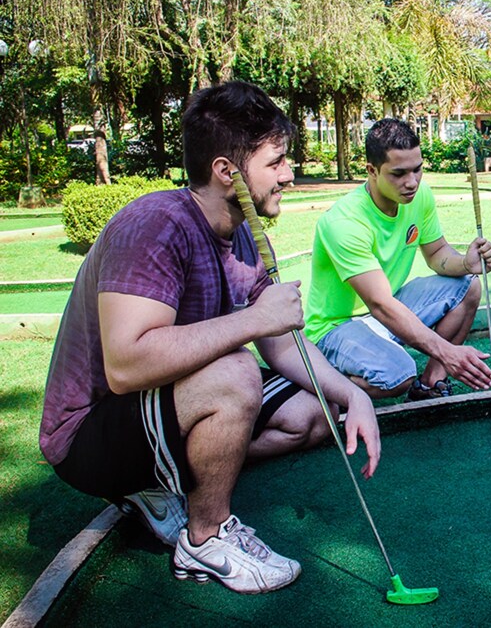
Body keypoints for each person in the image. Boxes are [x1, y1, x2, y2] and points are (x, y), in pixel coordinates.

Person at [40, 80, 381, 594]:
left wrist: (353, 395)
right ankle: (205, 539)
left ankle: (167, 483)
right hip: (89, 434)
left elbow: (281, 342)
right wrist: (252, 321)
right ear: (226, 171)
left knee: (312, 414)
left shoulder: (244, 232)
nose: (289, 174)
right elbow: (126, 365)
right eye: (276, 162)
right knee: (236, 371)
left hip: (164, 403)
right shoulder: (154, 225)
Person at [305, 118, 491, 401]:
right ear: (372, 170)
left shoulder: (419, 196)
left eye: (417, 169)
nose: (412, 182)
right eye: (398, 173)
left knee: (468, 285)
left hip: (386, 307)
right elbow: (380, 304)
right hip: (335, 327)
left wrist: (466, 264)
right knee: (397, 376)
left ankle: (430, 384)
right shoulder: (344, 222)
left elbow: (437, 253)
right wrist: (448, 352)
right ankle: (317, 381)